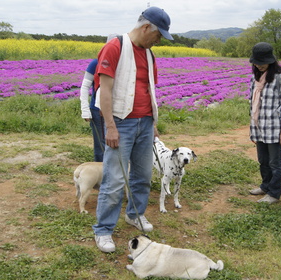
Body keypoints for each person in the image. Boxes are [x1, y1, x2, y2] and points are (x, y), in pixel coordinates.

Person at [92, 6, 173, 253]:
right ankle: (104, 230)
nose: (158, 41)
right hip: (121, 123)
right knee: (115, 179)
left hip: (145, 123)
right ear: (146, 27)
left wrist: (153, 122)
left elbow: (149, 89)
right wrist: (111, 127)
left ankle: (135, 214)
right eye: (158, 36)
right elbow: (104, 90)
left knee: (142, 175)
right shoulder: (115, 47)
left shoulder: (149, 54)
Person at [247, 42, 281, 204]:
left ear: (271, 61)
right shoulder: (256, 79)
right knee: (263, 160)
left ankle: (274, 193)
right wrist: (253, 129)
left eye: (263, 62)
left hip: (274, 128)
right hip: (259, 128)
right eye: (257, 62)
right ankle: (266, 186)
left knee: (275, 162)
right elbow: (252, 105)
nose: (259, 65)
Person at [80, 58, 104, 162]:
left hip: (118, 110)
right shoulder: (96, 63)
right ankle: (100, 172)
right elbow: (85, 87)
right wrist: (85, 110)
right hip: (97, 110)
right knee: (100, 145)